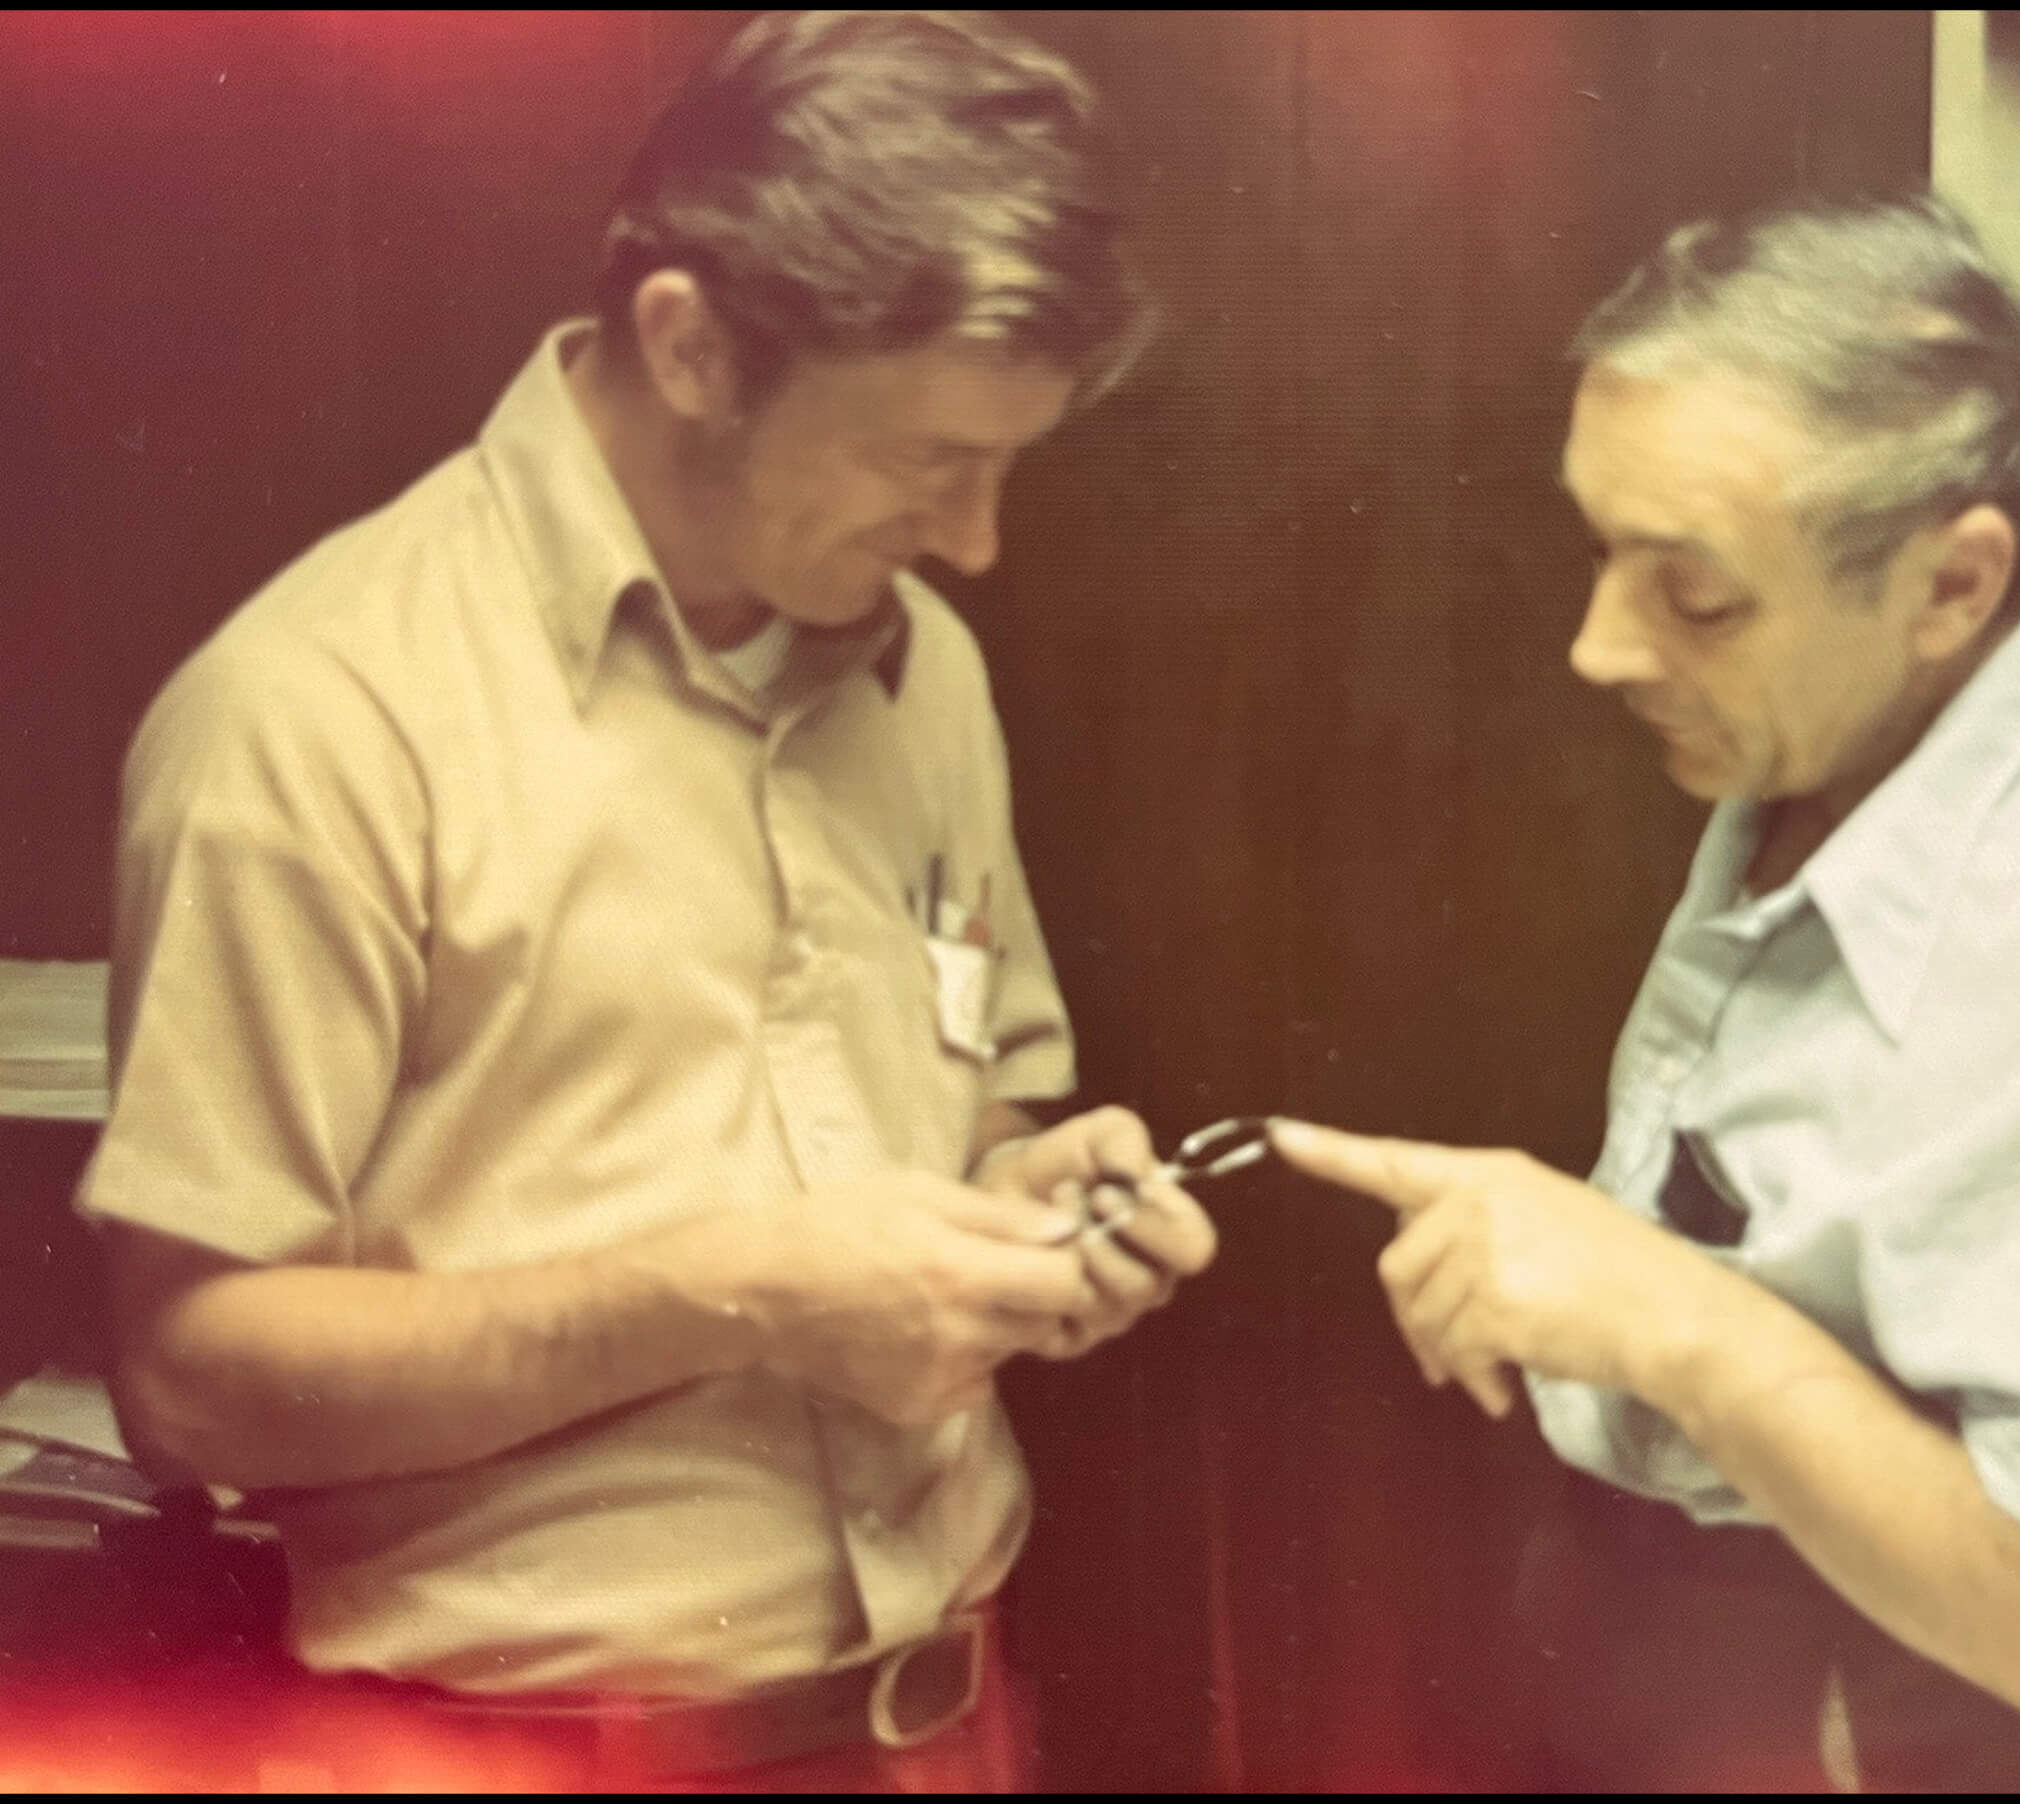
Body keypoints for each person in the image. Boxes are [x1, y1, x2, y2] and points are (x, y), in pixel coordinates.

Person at [79, 12, 1213, 1791]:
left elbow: (974, 1089)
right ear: (690, 345)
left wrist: (1018, 1208)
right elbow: (194, 1380)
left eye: (1005, 464)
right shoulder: (316, 715)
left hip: (954, 1719)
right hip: (533, 1752)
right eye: (928, 458)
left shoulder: (930, 673)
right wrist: (730, 1294)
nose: (979, 538)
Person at [1272, 194, 2020, 1790]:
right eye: (1603, 553)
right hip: (1702, 1672)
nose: (1596, 648)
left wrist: (1668, 1318)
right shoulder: (1874, 710)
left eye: (1695, 596)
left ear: (1951, 586)